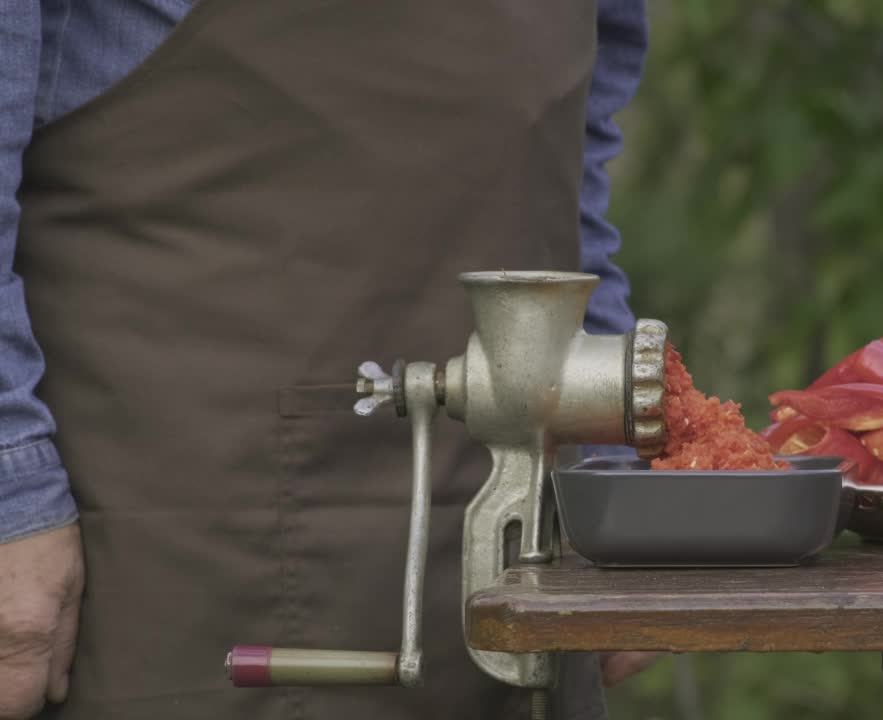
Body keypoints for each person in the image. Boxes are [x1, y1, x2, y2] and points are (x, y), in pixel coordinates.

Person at [0, 1, 657, 718]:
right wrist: (10, 482)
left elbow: (576, 137)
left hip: (526, 547)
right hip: (178, 525)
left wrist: (610, 458)